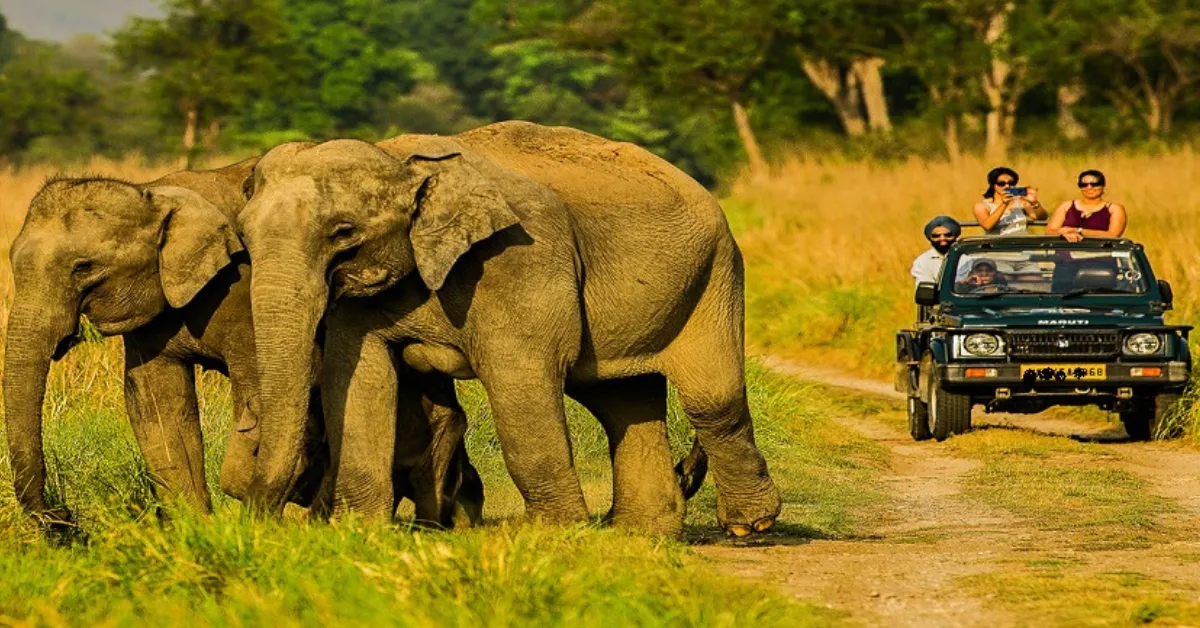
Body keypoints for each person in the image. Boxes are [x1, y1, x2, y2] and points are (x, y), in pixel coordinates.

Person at [1046, 169, 1127, 242]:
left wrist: (1078, 231)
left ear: (1103, 186)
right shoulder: (1066, 205)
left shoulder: (1114, 208)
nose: (1089, 187)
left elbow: (1113, 235)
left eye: (1094, 184)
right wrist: (1065, 234)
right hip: (1066, 253)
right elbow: (1050, 231)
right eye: (1084, 184)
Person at [972, 166, 1048, 235]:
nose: (1007, 186)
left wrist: (1034, 203)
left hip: (1021, 246)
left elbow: (1041, 217)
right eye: (1001, 183)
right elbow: (987, 225)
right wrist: (1004, 204)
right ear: (993, 185)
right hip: (997, 247)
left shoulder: (1021, 202)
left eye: (1011, 183)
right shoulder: (982, 206)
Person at [911, 215, 961, 285]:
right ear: (929, 238)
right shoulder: (922, 262)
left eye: (948, 235)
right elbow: (926, 291)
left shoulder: (968, 258)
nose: (942, 239)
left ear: (955, 236)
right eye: (936, 236)